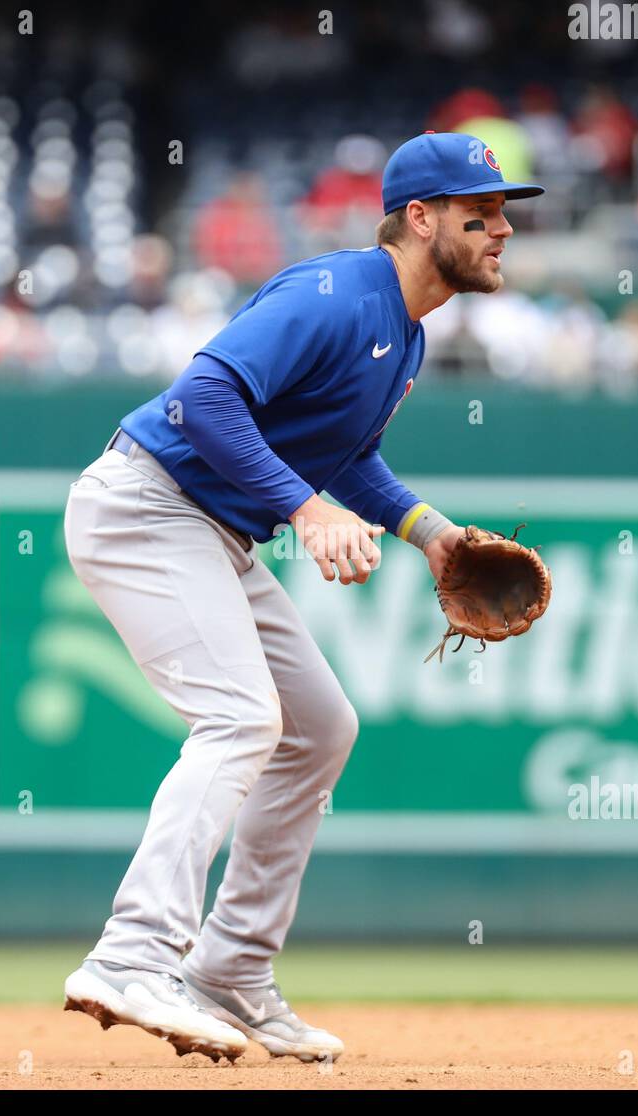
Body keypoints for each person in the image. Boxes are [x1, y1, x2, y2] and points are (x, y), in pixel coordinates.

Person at [61, 132, 543, 1062]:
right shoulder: (335, 295)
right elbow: (205, 395)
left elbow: (347, 455)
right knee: (241, 716)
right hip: (146, 506)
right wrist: (304, 509)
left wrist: (429, 533)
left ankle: (230, 970)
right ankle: (132, 954)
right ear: (420, 216)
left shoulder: (406, 330)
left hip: (212, 531)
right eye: (481, 213)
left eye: (506, 213)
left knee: (320, 725)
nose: (503, 229)